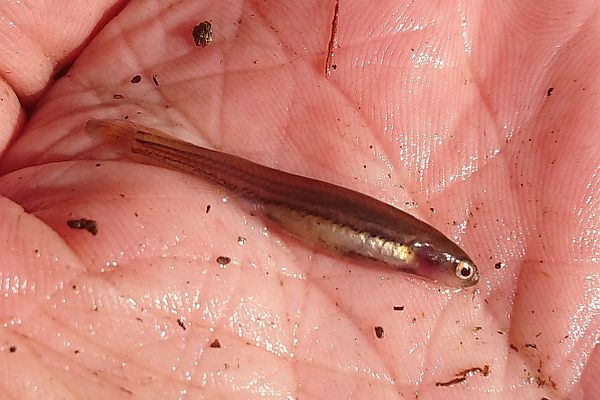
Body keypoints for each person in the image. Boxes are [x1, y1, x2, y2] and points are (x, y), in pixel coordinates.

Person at [0, 2, 597, 399]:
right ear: (433, 257)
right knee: (242, 182)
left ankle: (144, 145)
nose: (458, 276)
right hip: (282, 200)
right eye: (460, 269)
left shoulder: (418, 258)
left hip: (290, 208)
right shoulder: (413, 250)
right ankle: (143, 145)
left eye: (461, 271)